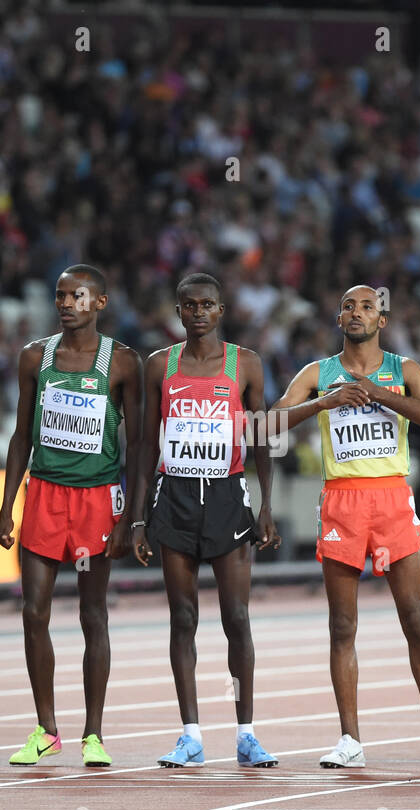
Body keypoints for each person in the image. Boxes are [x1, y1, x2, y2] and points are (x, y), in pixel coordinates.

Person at [269, 285, 420, 769]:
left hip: (393, 498)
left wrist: (381, 394)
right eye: (346, 306)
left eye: (365, 307)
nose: (354, 313)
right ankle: (350, 740)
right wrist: (322, 403)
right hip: (342, 501)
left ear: (383, 318)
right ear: (338, 319)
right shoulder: (318, 373)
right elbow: (267, 423)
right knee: (342, 625)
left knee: (415, 619)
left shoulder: (405, 370)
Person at [0, 265, 142, 768]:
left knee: (91, 614)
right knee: (34, 612)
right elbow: (21, 435)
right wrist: (6, 503)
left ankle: (93, 734)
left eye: (76, 295)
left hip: (96, 500)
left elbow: (138, 442)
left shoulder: (122, 362)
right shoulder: (35, 356)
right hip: (44, 496)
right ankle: (46, 728)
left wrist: (130, 516)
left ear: (99, 302)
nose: (64, 302)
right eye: (59, 295)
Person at [132, 273, 280, 768]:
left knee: (236, 618)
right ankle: (190, 735)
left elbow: (261, 439)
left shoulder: (247, 364)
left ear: (221, 311)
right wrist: (137, 520)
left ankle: (246, 734)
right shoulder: (159, 366)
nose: (198, 312)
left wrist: (266, 506)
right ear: (178, 312)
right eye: (189, 305)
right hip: (172, 500)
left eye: (207, 305)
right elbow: (145, 444)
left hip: (226, 498)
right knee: (184, 618)